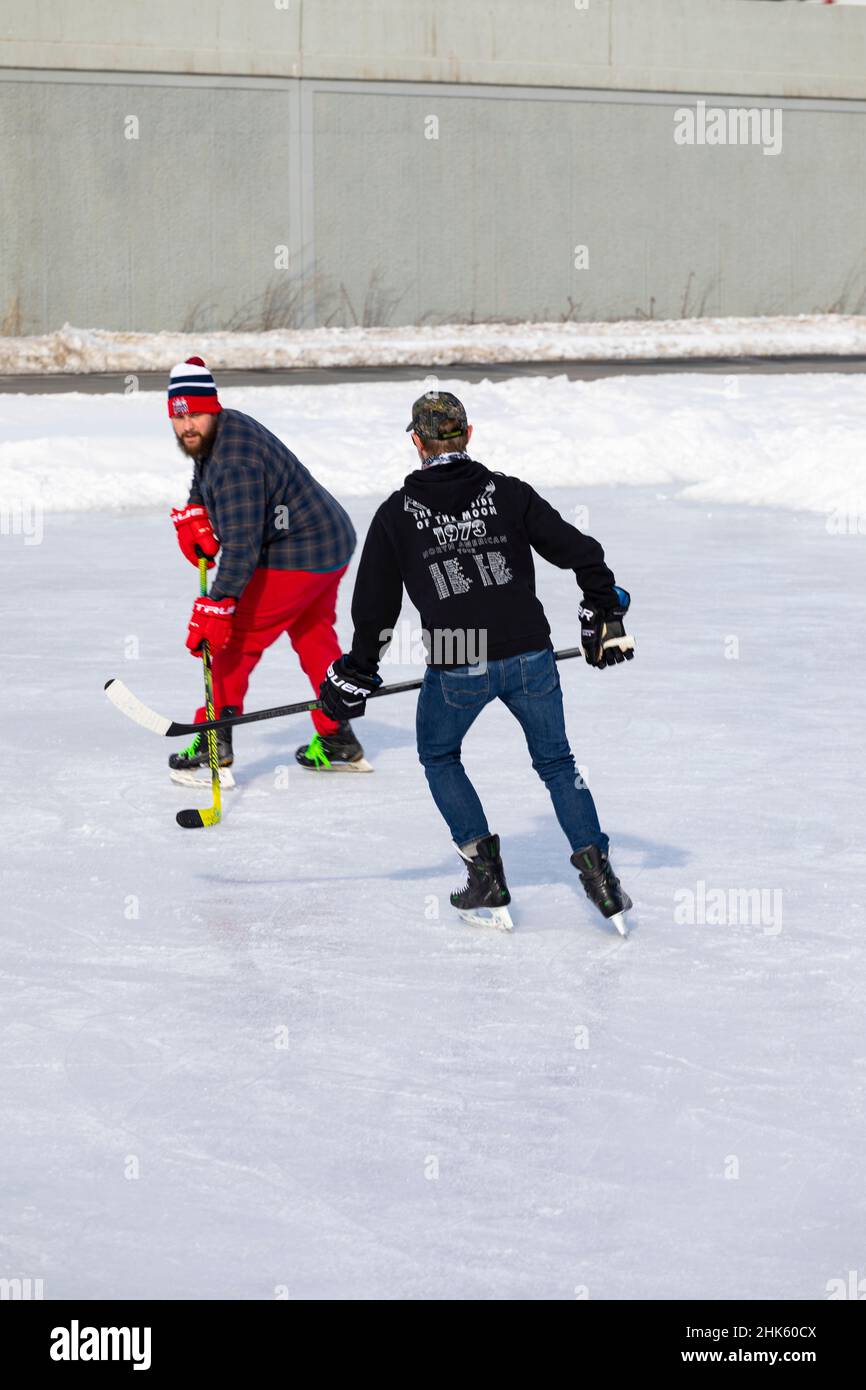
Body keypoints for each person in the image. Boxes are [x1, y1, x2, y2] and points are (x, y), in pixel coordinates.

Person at [317, 390, 635, 931]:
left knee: (439, 754)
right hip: (528, 646)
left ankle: (486, 879)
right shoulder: (507, 494)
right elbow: (581, 551)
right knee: (558, 765)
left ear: (417, 442)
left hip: (459, 651)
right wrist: (603, 609)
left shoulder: (397, 514)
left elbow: (376, 607)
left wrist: (358, 669)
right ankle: (601, 879)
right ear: (469, 434)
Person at [167, 356, 369, 780]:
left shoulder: (233, 462)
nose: (188, 427)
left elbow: (241, 548)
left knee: (236, 639)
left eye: (196, 415)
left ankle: (214, 738)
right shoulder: (218, 433)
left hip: (299, 552)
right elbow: (202, 474)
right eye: (179, 417)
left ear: (213, 408)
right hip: (330, 539)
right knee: (313, 634)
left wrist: (218, 605)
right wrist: (196, 511)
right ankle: (337, 736)